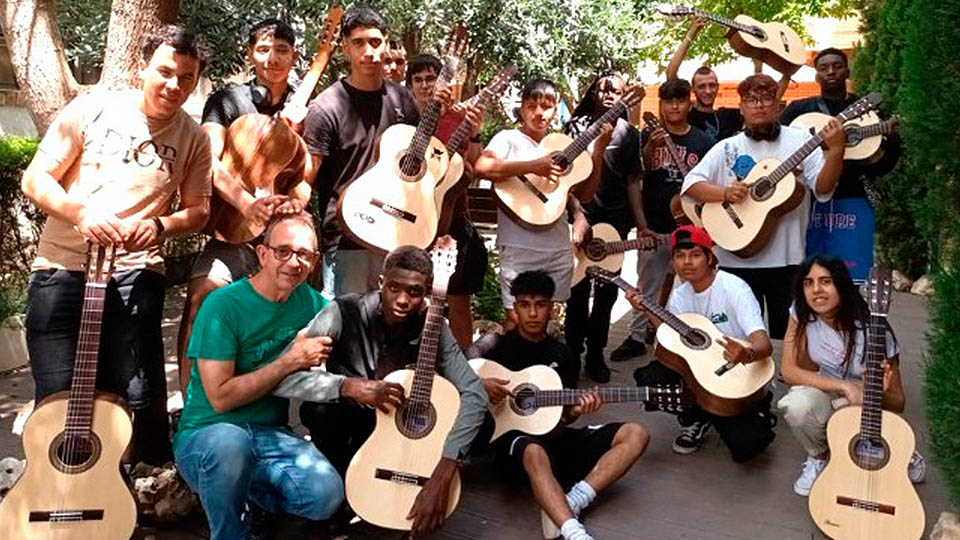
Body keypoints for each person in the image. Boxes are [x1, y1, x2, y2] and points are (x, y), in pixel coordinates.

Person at [20, 24, 212, 466]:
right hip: (61, 269)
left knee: (139, 395)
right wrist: (82, 213)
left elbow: (199, 210)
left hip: (135, 271)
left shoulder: (194, 138)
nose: (173, 85)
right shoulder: (90, 110)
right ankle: (57, 493)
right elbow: (35, 179)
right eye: (165, 71)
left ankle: (142, 491)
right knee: (58, 397)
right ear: (141, 67)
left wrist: (162, 225)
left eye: (186, 77)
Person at [294, 244, 488, 536]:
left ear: (426, 295)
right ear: (381, 283)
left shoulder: (432, 325)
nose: (402, 299)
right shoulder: (342, 311)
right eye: (395, 287)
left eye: (414, 292)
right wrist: (346, 387)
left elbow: (474, 393)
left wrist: (443, 474)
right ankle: (334, 497)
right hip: (351, 425)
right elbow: (289, 374)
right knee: (320, 410)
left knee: (482, 424)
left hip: (399, 427)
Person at [174, 213, 342, 539]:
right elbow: (220, 398)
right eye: (283, 251)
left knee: (325, 495)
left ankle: (251, 502)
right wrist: (289, 361)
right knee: (230, 444)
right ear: (262, 254)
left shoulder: (315, 305)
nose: (293, 263)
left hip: (269, 435)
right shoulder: (222, 305)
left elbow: (355, 315)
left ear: (315, 261)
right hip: (207, 435)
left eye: (304, 254)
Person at [177, 18, 310, 395]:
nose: (273, 58)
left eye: (282, 49)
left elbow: (305, 182)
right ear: (251, 54)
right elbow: (208, 160)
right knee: (202, 301)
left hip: (281, 238)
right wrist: (246, 203)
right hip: (232, 230)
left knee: (272, 325)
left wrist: (291, 203)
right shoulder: (227, 100)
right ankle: (190, 405)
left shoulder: (305, 107)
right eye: (264, 49)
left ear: (294, 55)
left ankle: (256, 408)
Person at [468, 271, 649, 540]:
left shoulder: (562, 355)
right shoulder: (494, 346)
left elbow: (562, 418)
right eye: (524, 305)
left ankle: (574, 499)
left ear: (552, 308)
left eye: (540, 305)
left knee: (636, 433)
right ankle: (573, 531)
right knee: (533, 450)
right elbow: (460, 371)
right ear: (514, 307)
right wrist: (480, 384)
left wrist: (575, 411)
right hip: (513, 448)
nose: (532, 313)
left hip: (555, 440)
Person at [679, 74, 845, 340]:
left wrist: (836, 151)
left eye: (766, 98)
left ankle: (786, 380)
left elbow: (823, 190)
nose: (759, 105)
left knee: (788, 337)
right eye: (751, 100)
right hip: (734, 259)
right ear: (741, 107)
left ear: (778, 105)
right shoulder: (727, 147)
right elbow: (690, 185)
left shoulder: (802, 141)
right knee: (738, 337)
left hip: (787, 259)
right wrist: (725, 192)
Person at [778, 255, 926, 496]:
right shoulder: (801, 312)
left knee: (848, 407)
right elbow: (789, 371)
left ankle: (893, 449)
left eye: (825, 281)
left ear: (842, 285)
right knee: (796, 405)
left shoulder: (874, 331)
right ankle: (820, 456)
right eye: (808, 283)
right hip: (830, 389)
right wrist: (845, 385)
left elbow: (898, 403)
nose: (816, 290)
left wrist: (878, 392)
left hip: (864, 402)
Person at [473, 78, 611, 332]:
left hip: (557, 246)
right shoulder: (508, 139)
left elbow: (587, 193)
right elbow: (482, 167)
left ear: (556, 109)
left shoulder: (563, 144)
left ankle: (544, 372)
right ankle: (511, 371)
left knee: (546, 322)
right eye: (532, 106)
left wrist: (598, 152)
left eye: (547, 107)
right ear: (522, 108)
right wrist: (534, 165)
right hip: (518, 246)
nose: (539, 113)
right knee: (516, 318)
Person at [302, 6, 421, 298]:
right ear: (345, 47)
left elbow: (418, 163)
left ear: (386, 42)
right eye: (358, 43)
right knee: (348, 326)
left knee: (392, 328)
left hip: (397, 232)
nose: (368, 51)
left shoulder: (402, 99)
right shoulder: (326, 107)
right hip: (348, 240)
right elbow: (307, 178)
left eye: (375, 42)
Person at [631, 226, 776, 461]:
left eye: (695, 254)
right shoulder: (680, 295)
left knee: (749, 446)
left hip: (738, 376)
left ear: (710, 258)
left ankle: (749, 408)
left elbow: (764, 346)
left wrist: (745, 353)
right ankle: (696, 417)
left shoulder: (734, 288)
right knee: (650, 380)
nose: (687, 262)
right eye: (679, 256)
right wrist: (646, 308)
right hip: (702, 375)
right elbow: (673, 339)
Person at [611, 78, 713, 363]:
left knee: (693, 284)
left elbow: (710, 180)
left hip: (691, 227)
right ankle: (635, 337)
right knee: (647, 286)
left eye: (680, 100)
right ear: (661, 105)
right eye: (669, 101)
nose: (675, 106)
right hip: (654, 223)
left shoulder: (702, 141)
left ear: (689, 103)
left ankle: (689, 337)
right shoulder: (647, 137)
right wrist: (646, 150)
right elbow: (634, 177)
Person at [779, 49, 901, 281]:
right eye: (823, 68)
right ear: (816, 76)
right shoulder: (798, 111)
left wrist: (892, 142)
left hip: (853, 199)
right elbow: (779, 151)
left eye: (837, 66)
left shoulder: (868, 111)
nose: (831, 72)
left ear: (847, 70)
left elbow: (883, 166)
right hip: (808, 201)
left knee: (851, 276)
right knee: (807, 273)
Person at [562, 70, 645, 382]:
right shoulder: (575, 127)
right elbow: (564, 176)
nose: (609, 93)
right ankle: (572, 354)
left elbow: (633, 182)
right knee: (577, 291)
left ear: (624, 96)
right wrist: (577, 214)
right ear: (593, 93)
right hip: (581, 217)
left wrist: (641, 224)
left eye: (616, 90)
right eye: (603, 88)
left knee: (608, 292)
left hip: (615, 222)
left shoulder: (629, 134)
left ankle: (596, 353)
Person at [404, 53, 488, 348]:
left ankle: (465, 365)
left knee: (457, 298)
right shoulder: (403, 118)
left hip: (451, 219)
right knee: (409, 296)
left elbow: (476, 167)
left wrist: (475, 137)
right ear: (410, 85)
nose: (427, 85)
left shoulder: (459, 119)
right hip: (406, 219)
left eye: (433, 79)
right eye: (419, 79)